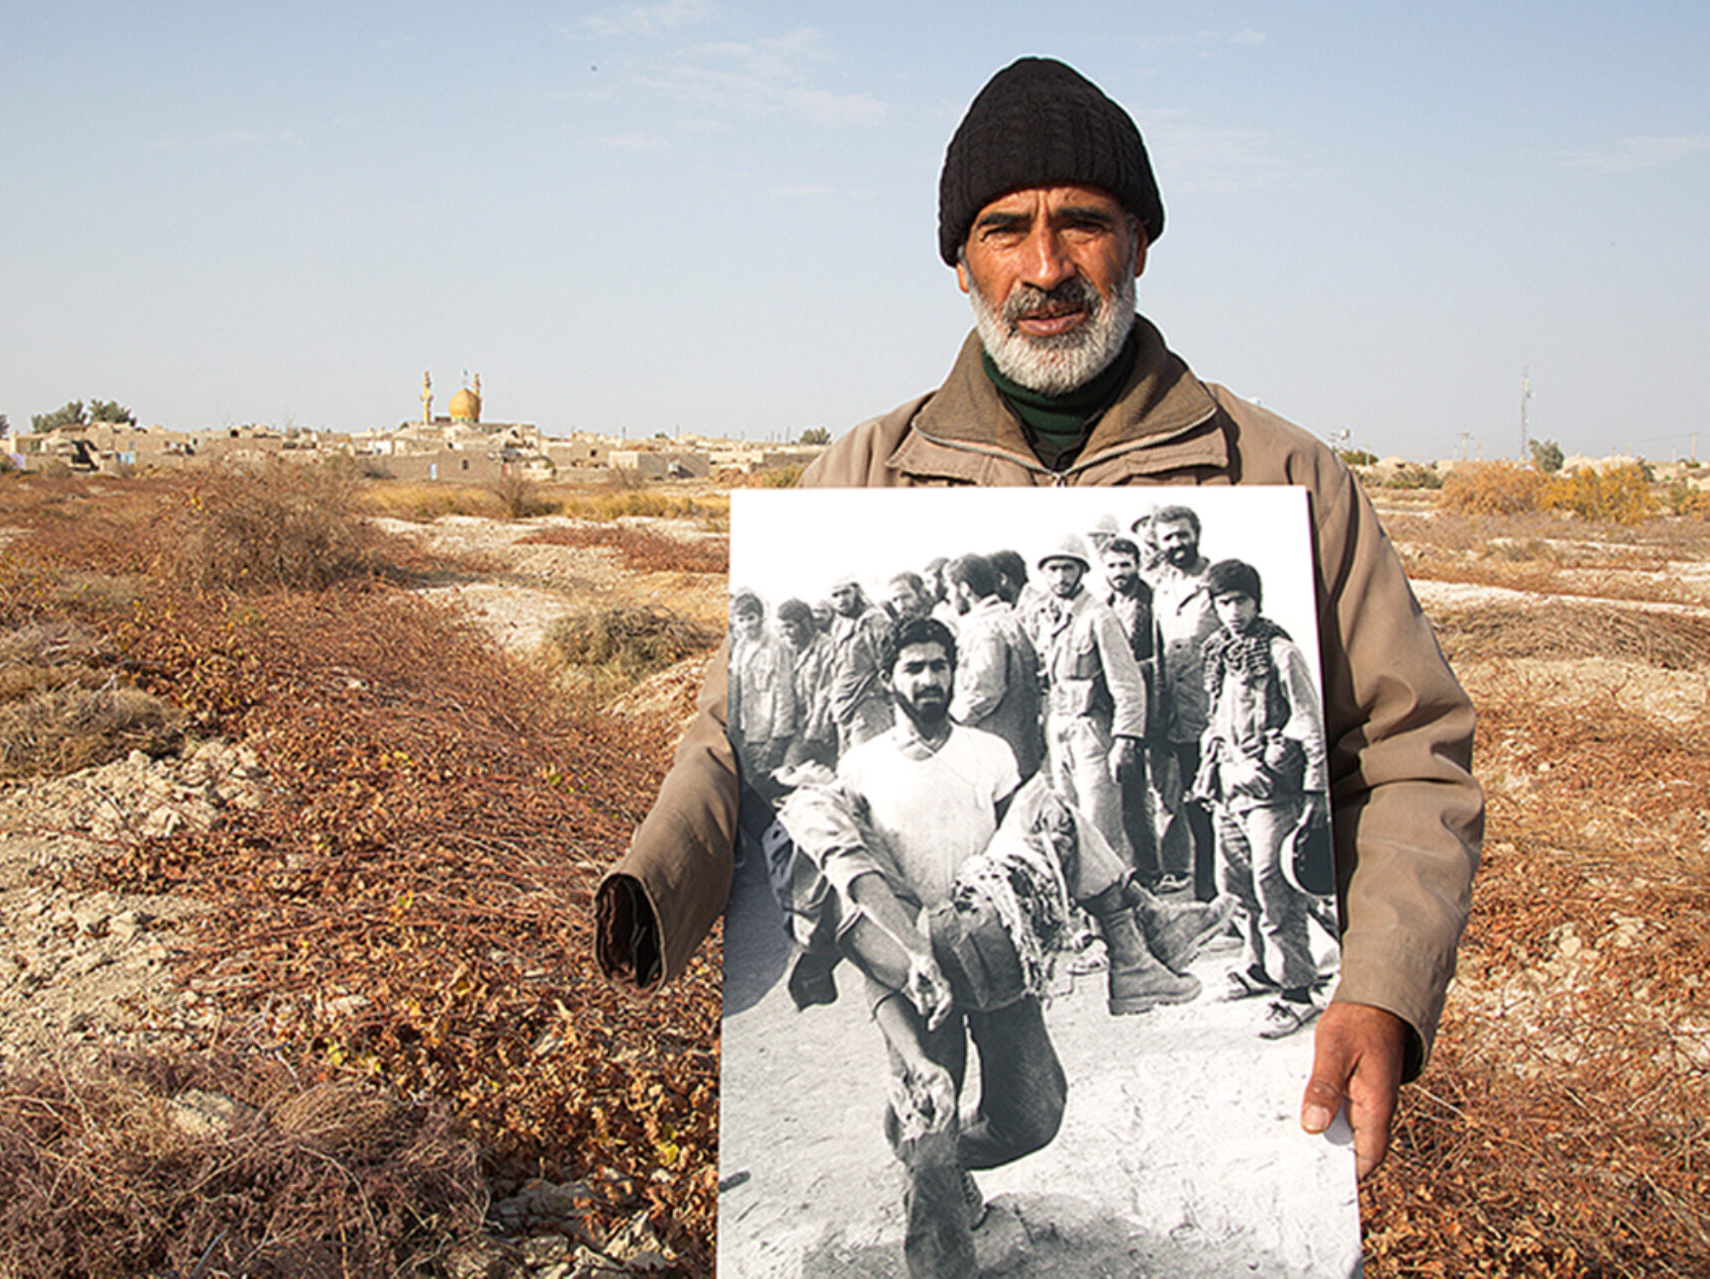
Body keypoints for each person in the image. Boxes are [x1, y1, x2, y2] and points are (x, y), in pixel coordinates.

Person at [596, 55, 1483, 1184]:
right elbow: (739, 741)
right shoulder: (860, 478)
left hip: (1054, 819)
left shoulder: (1280, 475)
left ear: (1142, 242)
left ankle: (1122, 965)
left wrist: (1382, 992)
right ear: (960, 261)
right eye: (1007, 228)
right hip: (913, 854)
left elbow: (1412, 757)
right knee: (931, 1061)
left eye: (1085, 224)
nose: (1047, 266)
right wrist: (653, 887)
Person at [791, 616, 1225, 1276]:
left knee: (1035, 1115)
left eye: (940, 665)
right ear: (888, 680)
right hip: (920, 966)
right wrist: (910, 963)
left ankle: (936, 1159)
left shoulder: (988, 752)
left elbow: (1017, 855)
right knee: (928, 1124)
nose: (930, 679)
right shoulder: (862, 765)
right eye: (914, 668)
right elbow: (862, 895)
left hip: (990, 944)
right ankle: (940, 1240)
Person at [1192, 560, 1332, 1040]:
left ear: (1257, 601)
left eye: (1241, 601)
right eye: (1224, 602)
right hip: (1230, 785)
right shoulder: (1217, 653)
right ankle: (1257, 969)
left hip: (1274, 789)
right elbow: (1214, 722)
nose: (1233, 611)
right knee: (1236, 885)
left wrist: (1315, 794)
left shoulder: (1280, 652)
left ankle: (1298, 990)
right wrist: (1218, 772)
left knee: (1276, 886)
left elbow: (1309, 725)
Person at [1021, 532, 1144, 865]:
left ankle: (1115, 909)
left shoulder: (1098, 616)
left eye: (1068, 568)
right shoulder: (1046, 616)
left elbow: (1128, 684)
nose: (1061, 577)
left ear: (1082, 570)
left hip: (1093, 729)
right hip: (1058, 727)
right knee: (1066, 822)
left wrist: (1125, 739)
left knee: (1099, 826)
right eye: (1054, 569)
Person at [1101, 534, 1195, 894]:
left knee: (1167, 792)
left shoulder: (1153, 602)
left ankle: (1177, 869)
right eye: (1112, 566)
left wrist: (1162, 710)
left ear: (1138, 565)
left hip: (1158, 708)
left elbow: (1164, 661)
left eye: (1126, 565)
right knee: (1131, 795)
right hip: (1124, 713)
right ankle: (1147, 868)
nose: (1119, 572)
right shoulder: (1106, 605)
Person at [1147, 504, 1222, 896]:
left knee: (1221, 811)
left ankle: (1233, 899)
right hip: (1179, 717)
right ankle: (1207, 894)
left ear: (1196, 533)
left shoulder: (1217, 583)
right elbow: (1159, 654)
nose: (1177, 543)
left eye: (1182, 534)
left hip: (1215, 716)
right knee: (1193, 807)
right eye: (1168, 537)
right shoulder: (1160, 588)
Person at [945, 552, 1044, 780]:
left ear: (965, 589)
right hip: (1018, 743)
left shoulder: (985, 630)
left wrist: (951, 720)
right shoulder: (1008, 619)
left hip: (996, 745)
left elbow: (985, 690)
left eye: (951, 589)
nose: (949, 597)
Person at [726, 592, 795, 800]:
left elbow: (785, 692)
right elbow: (736, 692)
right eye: (741, 619)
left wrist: (778, 737)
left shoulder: (776, 647)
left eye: (751, 618)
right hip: (745, 731)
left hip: (766, 733)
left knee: (767, 787)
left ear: (761, 618)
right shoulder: (740, 648)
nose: (747, 625)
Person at [826, 576, 894, 753]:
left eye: (846, 593)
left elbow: (886, 664)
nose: (841, 600)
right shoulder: (840, 624)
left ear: (857, 592)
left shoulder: (875, 621)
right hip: (844, 707)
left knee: (868, 766)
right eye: (835, 595)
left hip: (869, 705)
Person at [776, 597, 838, 771]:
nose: (786, 632)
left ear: (805, 624)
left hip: (821, 727)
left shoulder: (826, 647)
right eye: (782, 627)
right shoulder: (788, 650)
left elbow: (825, 692)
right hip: (796, 725)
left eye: (790, 626)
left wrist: (813, 733)